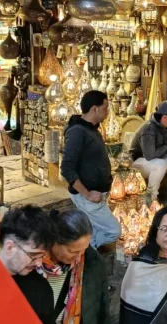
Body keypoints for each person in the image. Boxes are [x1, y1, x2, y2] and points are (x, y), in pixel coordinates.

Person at [61, 90, 121, 248]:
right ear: (94, 109)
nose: (107, 112)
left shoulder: (91, 129)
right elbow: (66, 168)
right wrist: (87, 194)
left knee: (92, 229)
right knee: (114, 231)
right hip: (89, 195)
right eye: (105, 108)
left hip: (96, 193)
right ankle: (86, 249)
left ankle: (87, 254)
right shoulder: (77, 132)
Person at [39, 209, 109, 324]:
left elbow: (102, 310)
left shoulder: (93, 263)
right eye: (72, 251)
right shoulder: (31, 262)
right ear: (54, 241)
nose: (78, 258)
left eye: (83, 250)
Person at [0, 206, 57, 324]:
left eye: (42, 256)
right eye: (33, 255)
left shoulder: (40, 289)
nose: (39, 263)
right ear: (10, 248)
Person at [130, 100, 167, 205]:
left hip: (157, 159)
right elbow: (149, 155)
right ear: (164, 118)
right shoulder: (149, 128)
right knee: (160, 164)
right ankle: (151, 196)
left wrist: (163, 151)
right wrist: (166, 146)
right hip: (139, 162)